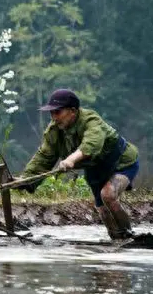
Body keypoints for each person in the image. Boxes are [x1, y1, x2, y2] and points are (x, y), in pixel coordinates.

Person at [15, 89, 140, 240]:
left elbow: (91, 144)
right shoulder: (54, 131)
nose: (54, 118)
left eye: (58, 112)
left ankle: (130, 236)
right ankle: (116, 240)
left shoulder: (91, 120)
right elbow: (44, 157)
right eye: (52, 113)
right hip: (95, 170)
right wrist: (26, 179)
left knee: (108, 195)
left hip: (121, 162)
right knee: (102, 210)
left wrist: (70, 160)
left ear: (73, 111)